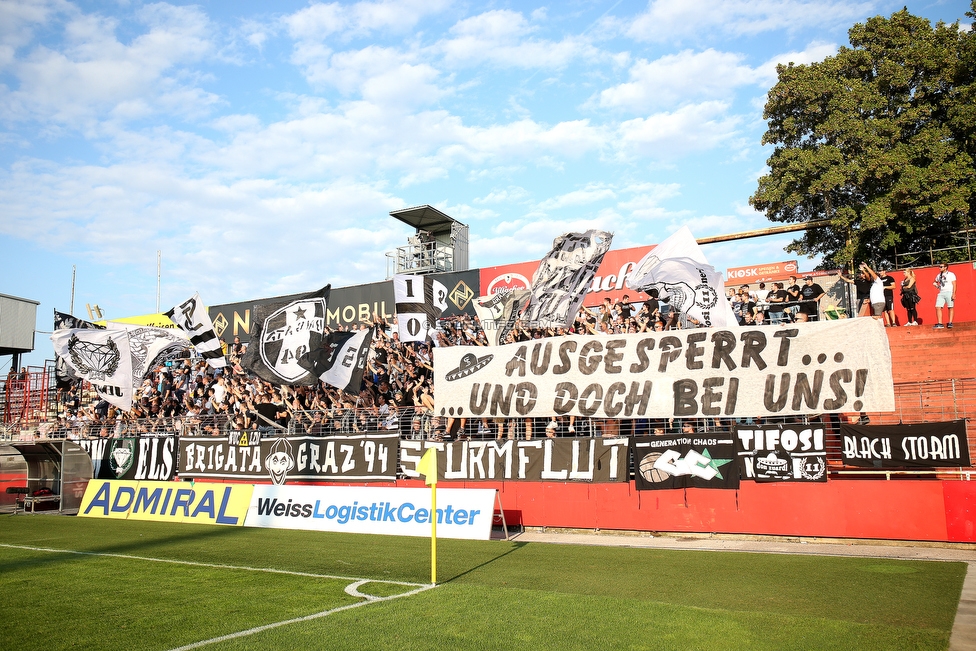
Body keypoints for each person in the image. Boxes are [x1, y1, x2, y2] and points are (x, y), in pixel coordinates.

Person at [933, 262, 956, 329]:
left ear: (945, 267)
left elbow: (954, 284)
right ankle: (940, 323)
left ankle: (950, 322)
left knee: (950, 307)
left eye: (941, 266)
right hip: (941, 292)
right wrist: (937, 286)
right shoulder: (938, 275)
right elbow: (934, 281)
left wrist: (954, 293)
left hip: (949, 291)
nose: (939, 268)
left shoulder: (951, 274)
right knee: (938, 307)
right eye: (939, 266)